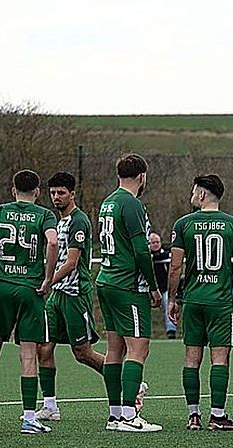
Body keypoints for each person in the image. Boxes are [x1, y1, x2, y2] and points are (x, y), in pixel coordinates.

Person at [0, 169, 58, 435]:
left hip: (2, 288)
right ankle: (29, 418)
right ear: (38, 192)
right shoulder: (44, 214)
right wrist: (48, 277)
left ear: (12, 190)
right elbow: (52, 242)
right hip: (30, 290)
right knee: (28, 353)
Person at [168, 174, 233, 431]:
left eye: (194, 191)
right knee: (220, 358)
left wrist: (173, 298)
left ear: (201, 195)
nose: (192, 196)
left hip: (192, 299)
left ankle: (193, 416)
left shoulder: (183, 224)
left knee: (192, 358)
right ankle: (218, 415)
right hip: (220, 301)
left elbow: (175, 267)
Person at [95, 153, 162, 432]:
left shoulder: (108, 202)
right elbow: (140, 250)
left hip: (106, 280)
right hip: (127, 284)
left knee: (114, 349)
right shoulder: (131, 203)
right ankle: (129, 416)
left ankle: (114, 415)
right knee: (138, 348)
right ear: (142, 176)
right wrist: (154, 287)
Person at [34, 172, 105, 422]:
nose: (56, 197)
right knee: (44, 347)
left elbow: (72, 263)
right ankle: (50, 406)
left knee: (82, 353)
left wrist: (46, 281)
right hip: (57, 295)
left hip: (75, 293)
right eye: (52, 192)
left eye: (61, 192)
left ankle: (129, 384)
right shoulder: (57, 221)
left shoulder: (79, 221)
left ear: (72, 194)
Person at [149, 231, 178, 339]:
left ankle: (171, 331)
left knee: (169, 305)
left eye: (157, 242)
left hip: (165, 288)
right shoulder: (145, 255)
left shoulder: (167, 254)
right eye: (153, 242)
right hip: (149, 289)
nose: (155, 244)